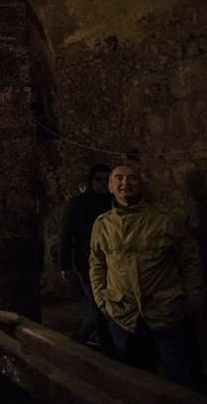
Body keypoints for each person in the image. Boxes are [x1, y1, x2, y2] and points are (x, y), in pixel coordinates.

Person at [89, 162, 203, 385]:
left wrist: (194, 300)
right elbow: (97, 264)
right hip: (123, 314)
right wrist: (102, 300)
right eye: (119, 178)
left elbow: (190, 261)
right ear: (110, 186)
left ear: (140, 185)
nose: (125, 183)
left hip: (166, 313)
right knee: (135, 381)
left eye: (132, 178)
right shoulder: (102, 225)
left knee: (184, 378)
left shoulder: (165, 219)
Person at [60, 164, 114, 352]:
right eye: (98, 179)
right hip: (86, 263)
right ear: (91, 181)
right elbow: (66, 235)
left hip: (112, 264)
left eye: (106, 179)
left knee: (104, 308)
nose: (101, 183)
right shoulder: (77, 203)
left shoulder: (114, 202)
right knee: (98, 309)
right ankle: (82, 343)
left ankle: (86, 342)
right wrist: (65, 265)